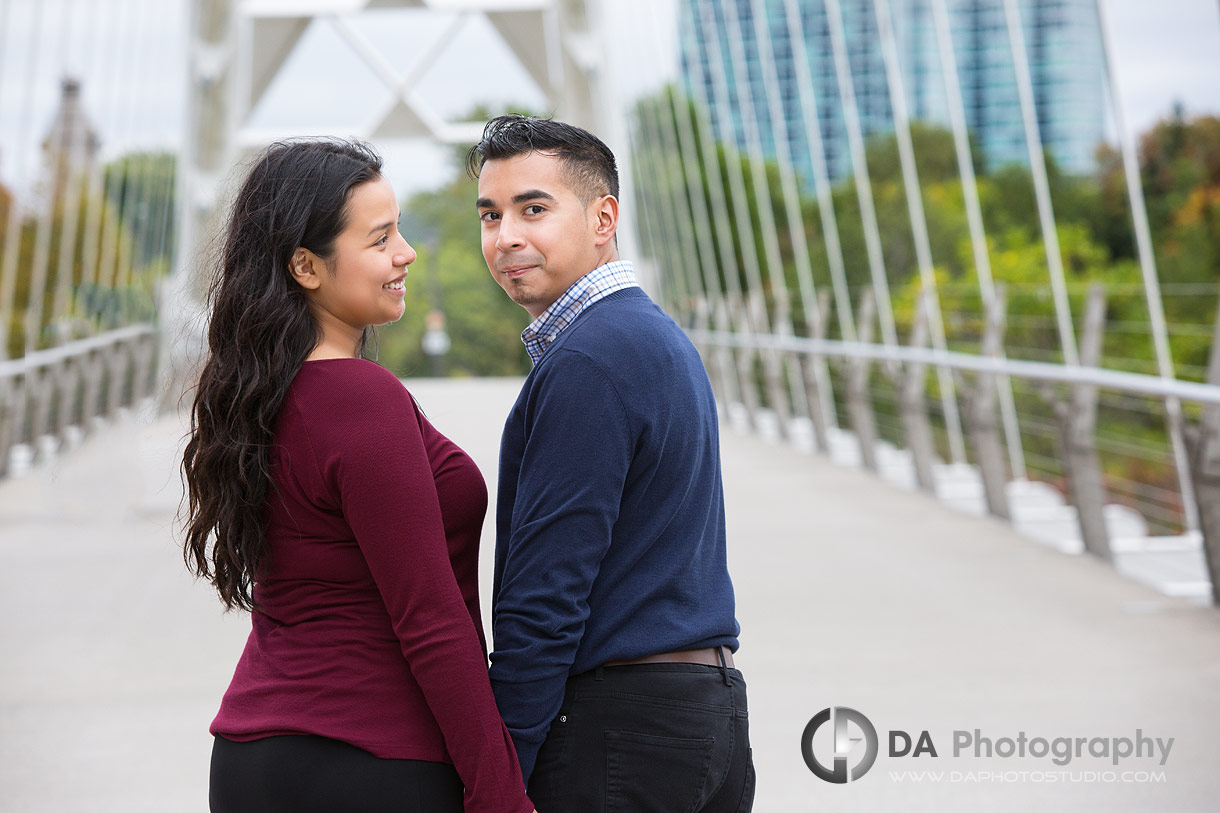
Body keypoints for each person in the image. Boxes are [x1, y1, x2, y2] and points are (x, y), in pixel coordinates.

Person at [180, 138, 534, 813]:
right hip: (374, 761)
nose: (406, 252)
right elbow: (429, 618)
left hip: (252, 758)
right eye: (380, 239)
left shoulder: (256, 397)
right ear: (306, 266)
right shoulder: (360, 398)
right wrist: (501, 794)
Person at [469, 114, 756, 812]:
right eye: (490, 215)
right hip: (706, 713)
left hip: (619, 728)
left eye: (533, 208)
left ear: (604, 218)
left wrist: (497, 778)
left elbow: (546, 597)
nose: (506, 236)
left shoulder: (589, 362)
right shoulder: (652, 335)